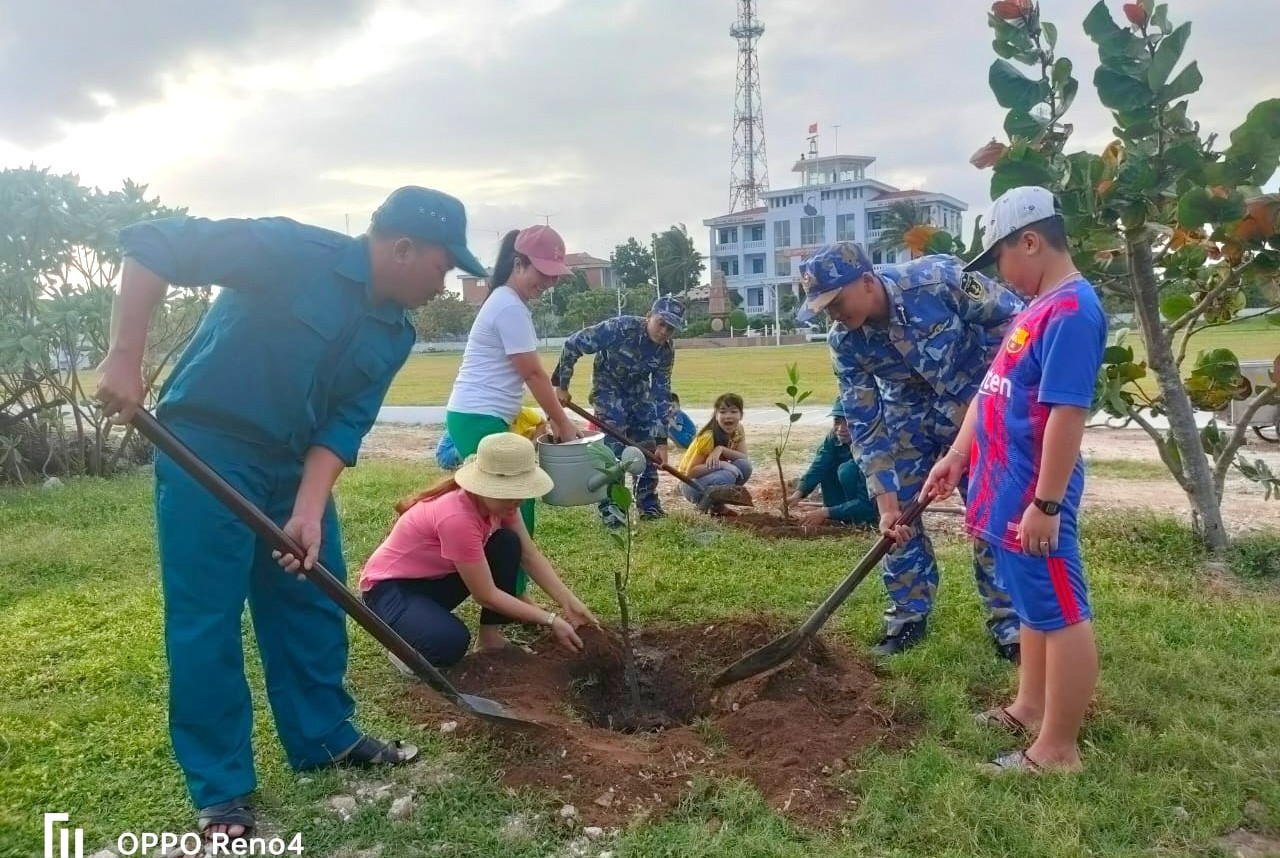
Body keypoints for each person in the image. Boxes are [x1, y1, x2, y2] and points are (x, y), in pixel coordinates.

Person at [94, 186, 489, 844]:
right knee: (207, 618)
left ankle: (322, 737)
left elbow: (342, 424)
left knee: (310, 595)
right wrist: (125, 356)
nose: (443, 281)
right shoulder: (287, 250)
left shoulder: (394, 332)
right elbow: (155, 242)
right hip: (209, 445)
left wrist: (308, 510)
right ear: (403, 247)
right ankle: (222, 790)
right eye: (444, 266)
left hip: (291, 466)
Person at [925, 186, 1105, 773]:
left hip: (1035, 491)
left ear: (1030, 241)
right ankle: (1029, 706)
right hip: (1006, 484)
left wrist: (1047, 505)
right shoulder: (1036, 307)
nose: (999, 273)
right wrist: (958, 454)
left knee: (1060, 609)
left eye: (1000, 257)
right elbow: (993, 387)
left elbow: (1067, 415)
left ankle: (1057, 750)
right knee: (1031, 603)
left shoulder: (1074, 312)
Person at [796, 240, 1023, 660]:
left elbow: (1015, 322)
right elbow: (864, 419)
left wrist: (994, 389)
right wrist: (884, 502)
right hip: (909, 418)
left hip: (976, 405)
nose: (832, 314)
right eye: (822, 307)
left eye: (835, 301)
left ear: (866, 282)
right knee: (898, 516)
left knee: (991, 512)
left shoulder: (938, 281)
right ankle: (907, 619)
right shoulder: (844, 341)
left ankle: (1011, 626)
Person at [362, 433, 599, 668]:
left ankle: (490, 639)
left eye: (522, 491)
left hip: (435, 580)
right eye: (512, 492)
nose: (519, 501)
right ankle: (406, 645)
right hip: (390, 590)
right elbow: (485, 595)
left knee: (506, 543)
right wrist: (551, 620)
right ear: (485, 487)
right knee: (449, 643)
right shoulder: (457, 517)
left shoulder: (504, 503)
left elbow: (529, 555)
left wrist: (569, 602)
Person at [445, 226, 583, 589]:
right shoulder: (508, 305)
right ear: (519, 263)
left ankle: (512, 594)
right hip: (478, 418)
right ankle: (512, 598)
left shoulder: (508, 302)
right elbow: (534, 374)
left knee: (509, 508)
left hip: (480, 416)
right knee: (513, 506)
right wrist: (563, 424)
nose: (549, 283)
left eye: (554, 275)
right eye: (543, 273)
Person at [551, 296, 685, 524]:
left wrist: (662, 440)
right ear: (649, 316)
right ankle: (612, 508)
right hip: (608, 388)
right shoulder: (619, 328)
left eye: (670, 328)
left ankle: (648, 505)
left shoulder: (665, 351)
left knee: (646, 445)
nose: (664, 332)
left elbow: (661, 394)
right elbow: (573, 344)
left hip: (638, 393)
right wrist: (562, 385)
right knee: (613, 447)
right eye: (661, 323)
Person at [786, 400, 876, 528]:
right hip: (850, 495)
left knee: (847, 470)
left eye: (849, 423)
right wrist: (799, 493)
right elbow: (819, 465)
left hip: (870, 502)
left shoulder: (871, 446)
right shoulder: (833, 438)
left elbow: (866, 501)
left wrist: (825, 512)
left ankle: (864, 520)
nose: (841, 429)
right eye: (837, 421)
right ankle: (841, 516)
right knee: (827, 465)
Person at [678, 392, 751, 515]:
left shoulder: (738, 430)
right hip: (690, 485)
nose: (728, 416)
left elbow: (744, 458)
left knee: (744, 466)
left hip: (708, 478)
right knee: (728, 475)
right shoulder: (708, 437)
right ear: (716, 415)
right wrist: (721, 464)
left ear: (741, 415)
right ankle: (701, 512)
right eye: (723, 412)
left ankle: (716, 506)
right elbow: (690, 472)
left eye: (733, 411)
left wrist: (721, 449)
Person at [435, 407, 546, 471]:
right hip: (447, 453)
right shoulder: (493, 421)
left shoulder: (524, 413)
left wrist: (533, 441)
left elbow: (542, 423)